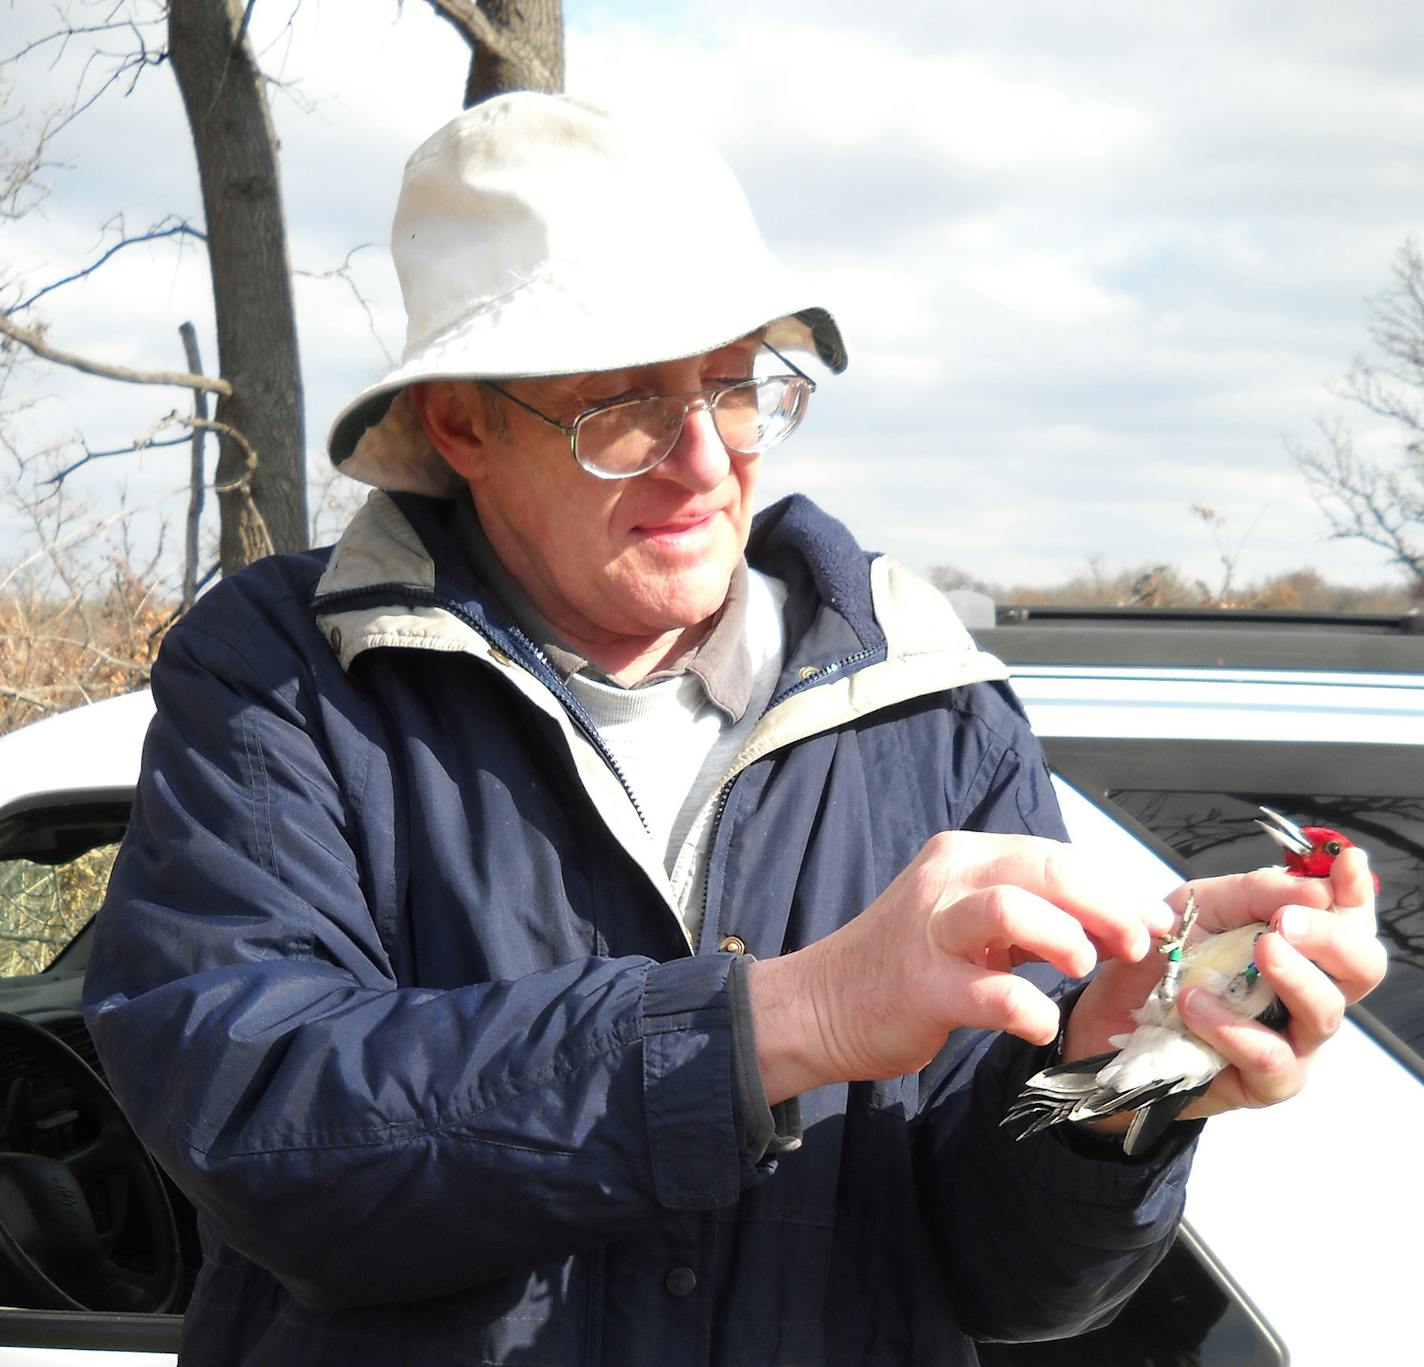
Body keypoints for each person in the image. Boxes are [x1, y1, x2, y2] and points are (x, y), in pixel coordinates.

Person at [83, 94, 1385, 1367]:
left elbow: (1013, 1283)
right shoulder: (287, 678)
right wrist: (784, 1018)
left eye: (737, 386)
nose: (705, 462)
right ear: (460, 423)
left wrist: (1116, 1084)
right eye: (626, 407)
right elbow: (261, 1125)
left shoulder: (930, 705)